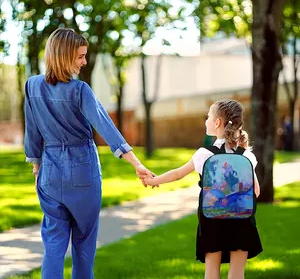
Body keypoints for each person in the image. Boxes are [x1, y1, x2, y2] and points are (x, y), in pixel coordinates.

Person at [24, 28, 153, 279]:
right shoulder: (79, 90)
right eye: (80, 56)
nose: (84, 62)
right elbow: (106, 127)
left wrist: (37, 168)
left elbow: (32, 132)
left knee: (53, 244)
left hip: (49, 172)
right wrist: (136, 163)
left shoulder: (32, 86)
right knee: (83, 243)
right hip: (82, 170)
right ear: (64, 56)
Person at [144, 99, 263, 279]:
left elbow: (177, 174)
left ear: (217, 123)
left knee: (211, 273)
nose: (206, 121)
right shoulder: (247, 155)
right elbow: (256, 191)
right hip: (241, 221)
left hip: (212, 221)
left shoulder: (204, 154)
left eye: (208, 117)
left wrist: (154, 181)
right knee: (237, 273)